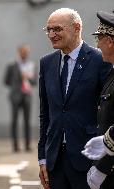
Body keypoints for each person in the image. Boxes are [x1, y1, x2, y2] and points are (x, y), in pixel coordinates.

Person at [37, 8, 111, 189]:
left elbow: (108, 114)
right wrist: (42, 158)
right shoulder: (47, 63)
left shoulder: (100, 60)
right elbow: (45, 114)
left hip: (88, 159)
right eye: (49, 30)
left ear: (76, 28)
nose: (52, 34)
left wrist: (103, 164)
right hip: (55, 161)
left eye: (57, 29)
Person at [81, 11, 114, 189]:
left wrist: (103, 168)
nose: (98, 45)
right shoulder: (111, 73)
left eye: (99, 38)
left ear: (110, 41)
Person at [4, 44, 36, 152]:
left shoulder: (31, 65)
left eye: (27, 52)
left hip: (27, 96)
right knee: (14, 121)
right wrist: (16, 87)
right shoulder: (12, 65)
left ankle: (27, 145)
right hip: (15, 96)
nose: (25, 53)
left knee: (27, 122)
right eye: (23, 51)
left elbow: (34, 82)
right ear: (19, 52)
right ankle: (15, 146)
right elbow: (6, 81)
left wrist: (27, 78)